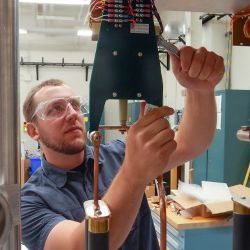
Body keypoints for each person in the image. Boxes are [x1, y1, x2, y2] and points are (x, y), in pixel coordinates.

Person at [21, 46, 224, 250]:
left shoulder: (118, 153)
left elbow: (190, 144)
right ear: (33, 131)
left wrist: (200, 90)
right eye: (55, 108)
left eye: (75, 105)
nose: (73, 114)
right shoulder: (30, 201)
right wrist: (133, 172)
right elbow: (81, 246)